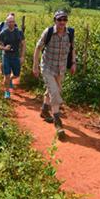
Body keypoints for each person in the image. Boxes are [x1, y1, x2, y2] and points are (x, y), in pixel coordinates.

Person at [33, 10, 76, 139]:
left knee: (53, 89)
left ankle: (44, 110)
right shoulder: (49, 32)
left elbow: (73, 48)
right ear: (55, 21)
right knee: (55, 92)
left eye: (64, 20)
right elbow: (38, 48)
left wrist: (73, 62)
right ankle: (58, 123)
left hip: (61, 68)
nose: (62, 22)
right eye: (59, 20)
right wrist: (35, 66)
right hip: (47, 67)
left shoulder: (70, 33)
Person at [0, 15, 25, 99]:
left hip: (16, 56)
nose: (11, 23)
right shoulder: (3, 33)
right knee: (7, 75)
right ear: (6, 23)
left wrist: (22, 56)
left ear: (15, 22)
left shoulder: (19, 32)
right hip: (6, 56)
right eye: (9, 22)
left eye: (12, 21)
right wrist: (4, 48)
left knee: (16, 75)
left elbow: (23, 44)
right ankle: (7, 92)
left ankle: (10, 80)